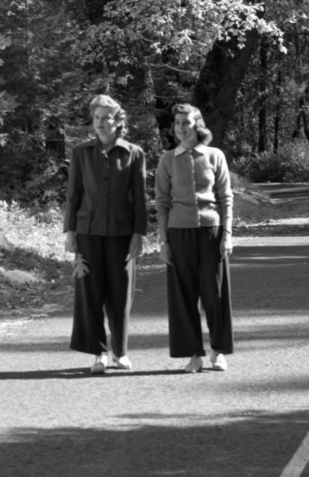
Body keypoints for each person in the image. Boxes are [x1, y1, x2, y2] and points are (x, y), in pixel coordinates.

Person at [62, 92, 149, 373]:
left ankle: (120, 352)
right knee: (90, 293)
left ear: (117, 121)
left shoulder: (134, 153)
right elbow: (73, 194)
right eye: (96, 118)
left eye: (105, 118)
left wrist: (139, 234)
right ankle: (98, 352)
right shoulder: (80, 153)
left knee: (121, 293)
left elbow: (140, 197)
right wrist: (70, 232)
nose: (100, 123)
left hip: (123, 235)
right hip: (88, 233)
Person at [154, 100, 234, 372]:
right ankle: (193, 355)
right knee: (183, 295)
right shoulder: (167, 160)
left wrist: (227, 235)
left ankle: (218, 350)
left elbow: (225, 198)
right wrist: (163, 242)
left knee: (215, 294)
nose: (180, 128)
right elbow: (162, 202)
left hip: (211, 231)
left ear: (197, 126)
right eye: (177, 123)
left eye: (186, 123)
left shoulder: (215, 156)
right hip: (179, 232)